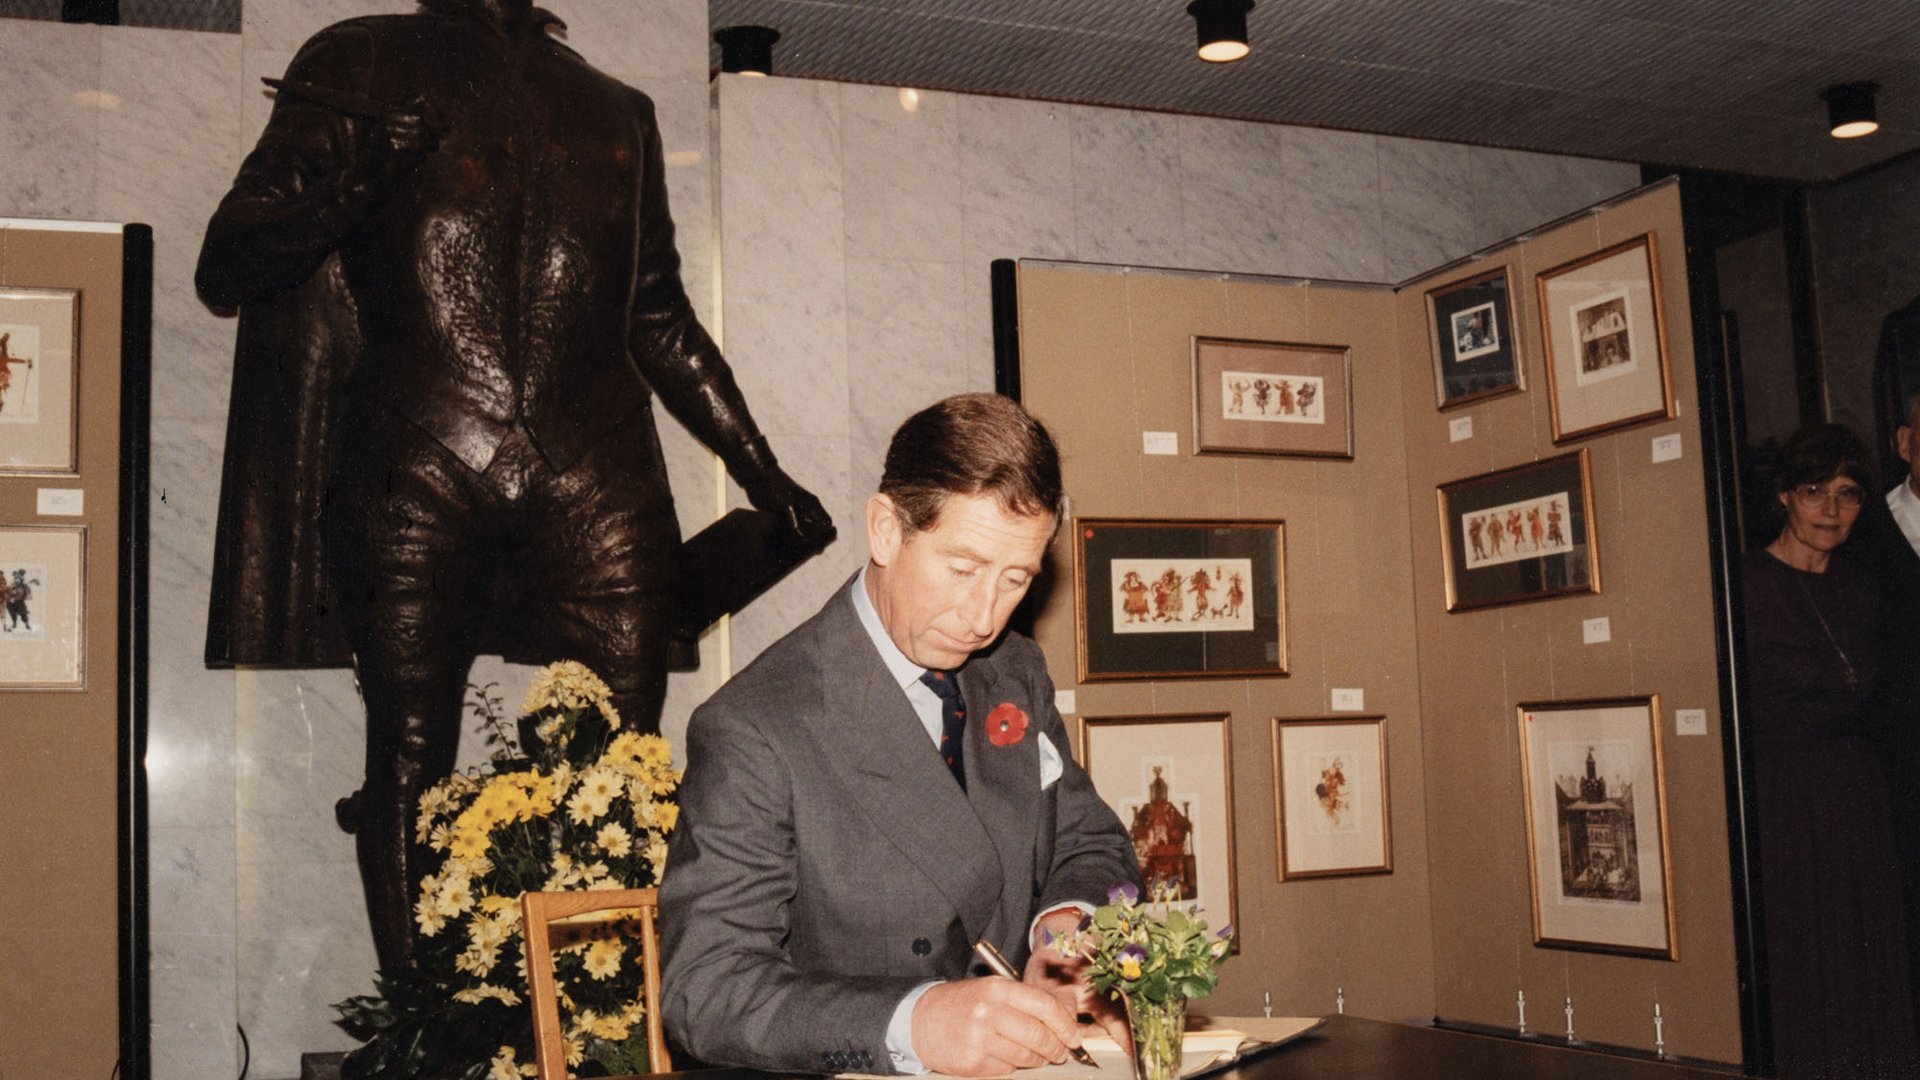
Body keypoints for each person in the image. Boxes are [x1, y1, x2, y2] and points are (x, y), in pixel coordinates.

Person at [194, 0, 832, 970]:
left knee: (621, 763)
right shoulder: (359, 60)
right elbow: (229, 262)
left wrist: (760, 468)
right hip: (420, 447)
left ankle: (597, 1016)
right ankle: (419, 1024)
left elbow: (656, 316)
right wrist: (364, 177)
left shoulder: (620, 111)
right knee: (410, 755)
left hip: (593, 462)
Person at [660, 394, 1141, 1076]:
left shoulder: (1013, 670)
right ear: (885, 529)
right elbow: (704, 991)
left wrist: (1066, 931)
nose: (983, 617)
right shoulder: (757, 725)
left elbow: (1087, 839)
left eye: (1015, 580)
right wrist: (913, 1021)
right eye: (963, 569)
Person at [1741, 423, 1919, 1079]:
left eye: (1847, 495)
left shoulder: (1865, 589)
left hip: (1858, 797)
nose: (1831, 510)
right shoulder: (1744, 585)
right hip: (1782, 796)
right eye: (1815, 491)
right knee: (1801, 957)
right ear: (1785, 495)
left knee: (1862, 958)